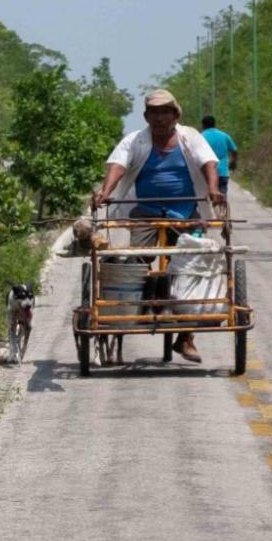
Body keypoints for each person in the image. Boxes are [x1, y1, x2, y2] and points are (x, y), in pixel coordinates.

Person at [90, 89, 225, 363]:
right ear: (146, 116)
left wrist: (212, 188)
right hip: (146, 213)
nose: (160, 118)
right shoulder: (136, 140)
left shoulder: (190, 138)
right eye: (154, 112)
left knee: (190, 267)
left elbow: (208, 162)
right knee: (135, 259)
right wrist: (104, 192)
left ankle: (185, 338)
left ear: (175, 115)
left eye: (166, 112)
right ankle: (140, 306)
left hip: (186, 213)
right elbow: (117, 165)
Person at [200, 114, 238, 198]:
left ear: (203, 125)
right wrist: (233, 162)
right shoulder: (224, 135)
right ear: (214, 124)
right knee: (222, 195)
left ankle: (209, 210)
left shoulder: (201, 137)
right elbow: (234, 150)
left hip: (207, 173)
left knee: (206, 198)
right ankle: (222, 210)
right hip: (223, 172)